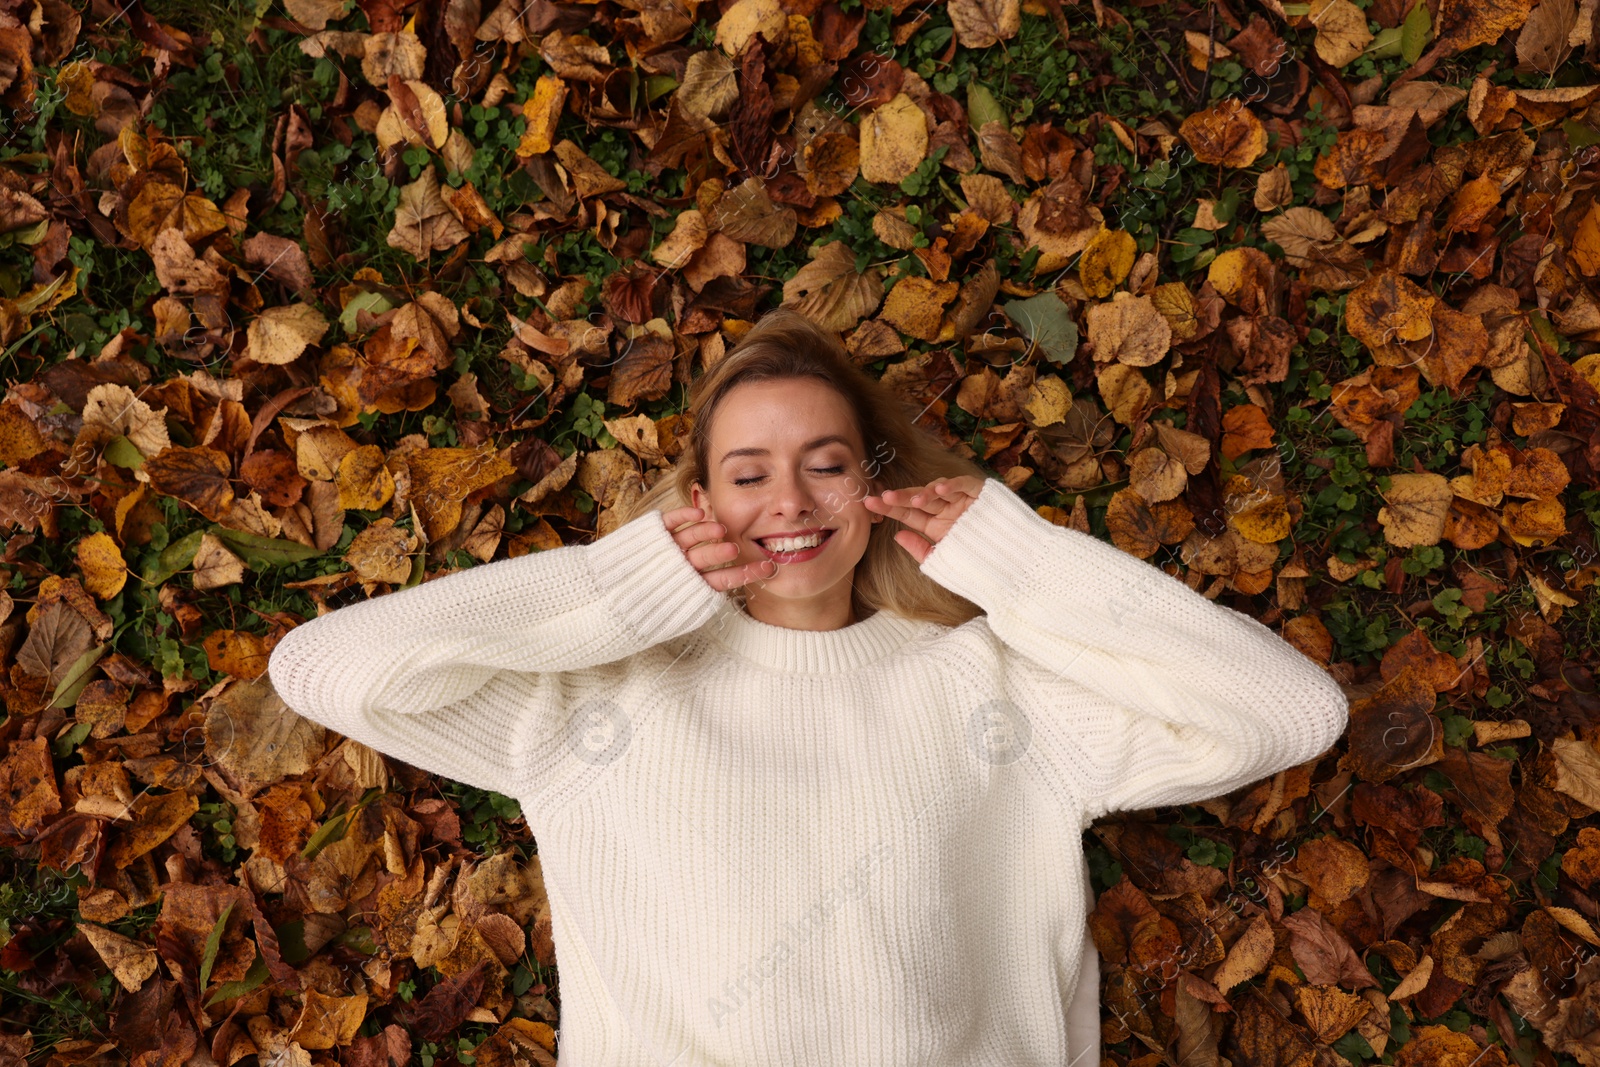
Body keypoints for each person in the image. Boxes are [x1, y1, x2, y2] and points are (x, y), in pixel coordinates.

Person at [267, 306, 1351, 1066]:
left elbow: (1291, 711)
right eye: (747, 474)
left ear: (875, 481)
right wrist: (624, 584)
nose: (787, 499)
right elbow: (323, 669)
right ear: (697, 498)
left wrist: (1017, 564)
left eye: (825, 463)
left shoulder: (1000, 689)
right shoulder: (595, 698)